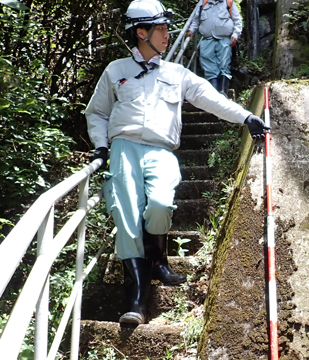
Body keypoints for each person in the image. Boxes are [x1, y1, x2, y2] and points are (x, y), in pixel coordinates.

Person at [85, 0, 268, 325]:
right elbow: (96, 112)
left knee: (159, 205)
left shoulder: (176, 73)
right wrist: (101, 146)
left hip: (161, 150)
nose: (168, 35)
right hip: (124, 148)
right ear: (141, 32)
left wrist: (246, 117)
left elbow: (211, 98)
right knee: (126, 219)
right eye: (162, 29)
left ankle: (157, 259)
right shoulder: (116, 71)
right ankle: (136, 300)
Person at [186, 0, 242, 96]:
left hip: (225, 39)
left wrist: (236, 34)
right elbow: (196, 19)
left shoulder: (228, 2)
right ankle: (215, 94)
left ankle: (223, 91)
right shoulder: (203, 3)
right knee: (208, 67)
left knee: (224, 64)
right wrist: (191, 30)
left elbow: (237, 20)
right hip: (207, 40)